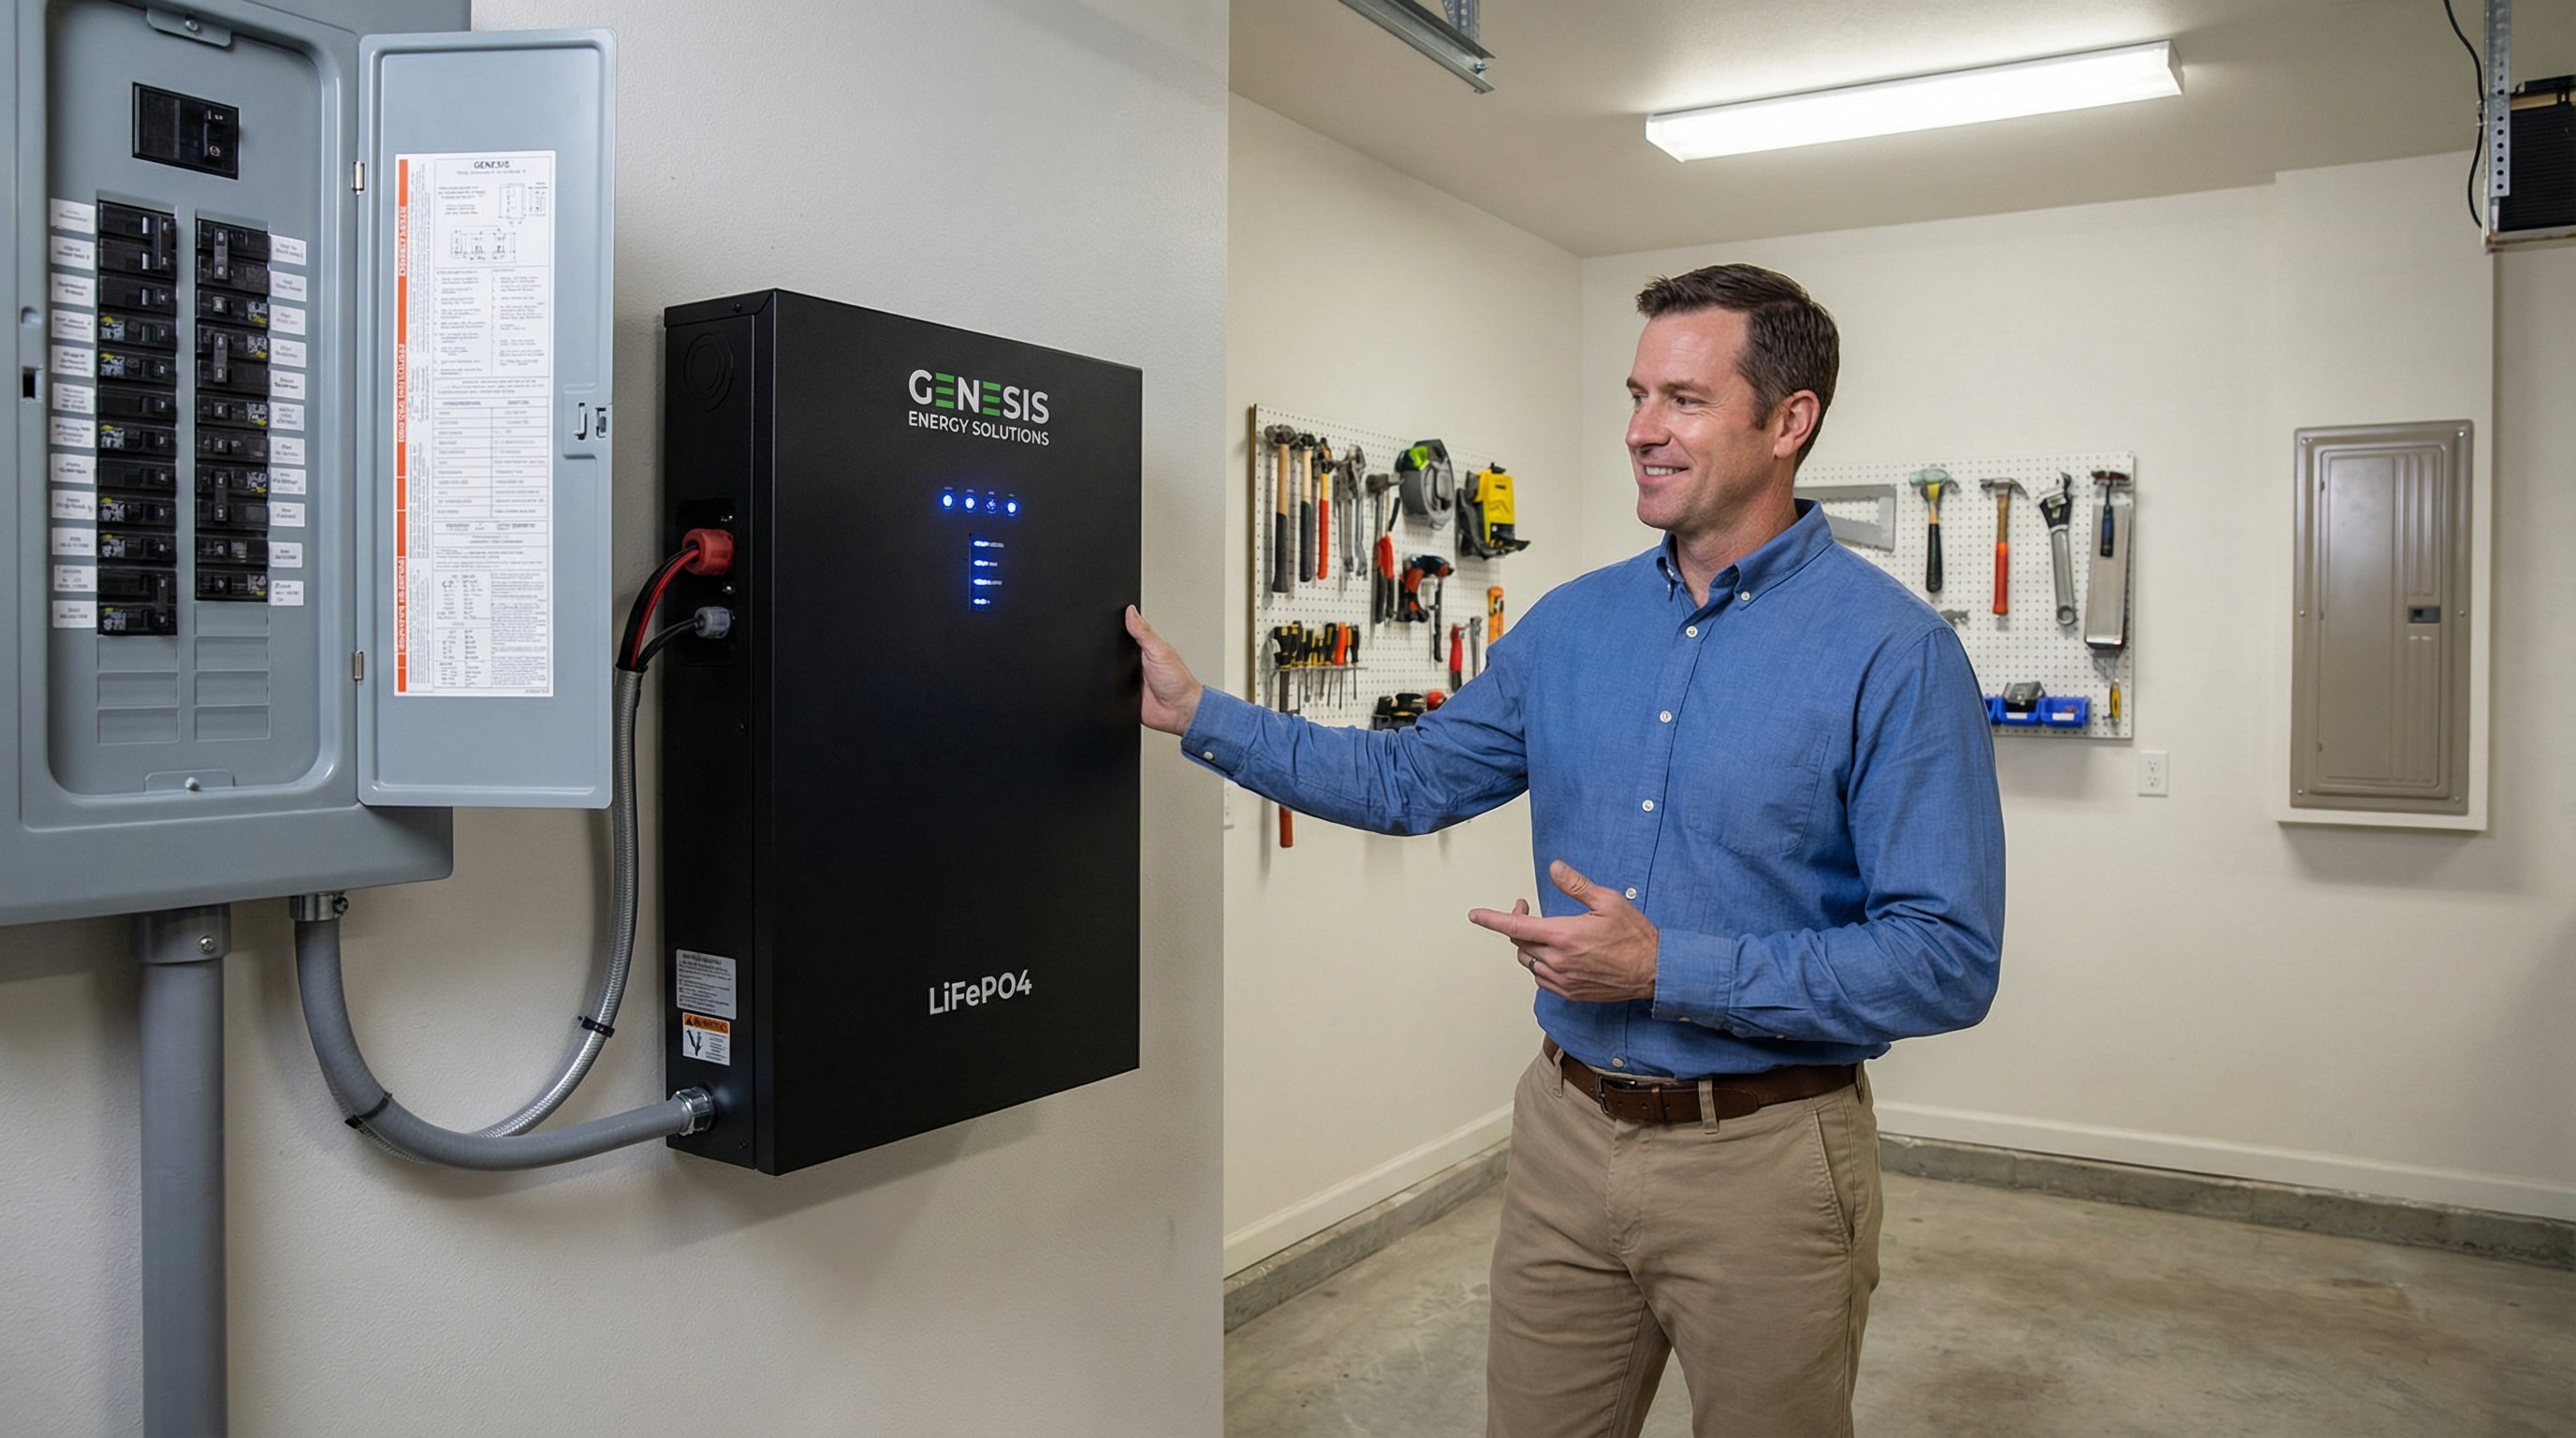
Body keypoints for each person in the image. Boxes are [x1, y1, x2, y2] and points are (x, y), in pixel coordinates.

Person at [1128, 264, 2004, 1437]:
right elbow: (1411, 778)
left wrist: (1663, 969)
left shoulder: (1892, 654)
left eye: (1684, 400)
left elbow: (1944, 958)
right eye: (1637, 395)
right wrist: (1203, 715)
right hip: (1562, 1134)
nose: (1641, 430)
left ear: (1788, 421)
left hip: (1767, 1161)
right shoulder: (1575, 624)